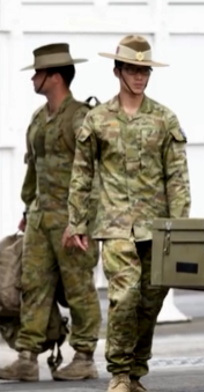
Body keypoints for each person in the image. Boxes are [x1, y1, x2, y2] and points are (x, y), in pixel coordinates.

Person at [63, 35, 191, 392]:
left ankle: (136, 371)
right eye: (132, 69)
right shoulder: (98, 119)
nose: (139, 76)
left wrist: (178, 228)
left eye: (144, 70)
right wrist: (77, 221)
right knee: (125, 295)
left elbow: (177, 177)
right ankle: (118, 373)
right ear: (117, 70)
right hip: (115, 223)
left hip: (157, 226)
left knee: (152, 300)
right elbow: (82, 173)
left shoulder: (165, 119)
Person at [0, 43, 101, 382]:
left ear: (55, 77)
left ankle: (85, 355)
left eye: (38, 74)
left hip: (72, 221)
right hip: (41, 218)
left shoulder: (80, 118)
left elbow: (94, 174)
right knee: (33, 284)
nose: (33, 79)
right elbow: (34, 168)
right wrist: (29, 207)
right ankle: (27, 357)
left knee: (78, 287)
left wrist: (81, 222)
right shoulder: (38, 120)